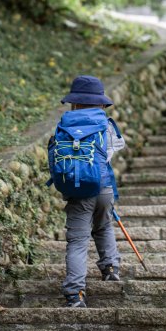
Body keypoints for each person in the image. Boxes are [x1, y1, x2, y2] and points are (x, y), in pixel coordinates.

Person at [59, 75, 126, 308]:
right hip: (104, 188)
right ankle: (110, 268)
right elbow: (117, 146)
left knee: (77, 241)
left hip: (78, 190)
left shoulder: (65, 125)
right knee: (104, 226)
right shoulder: (105, 125)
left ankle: (76, 293)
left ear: (74, 102)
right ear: (100, 103)